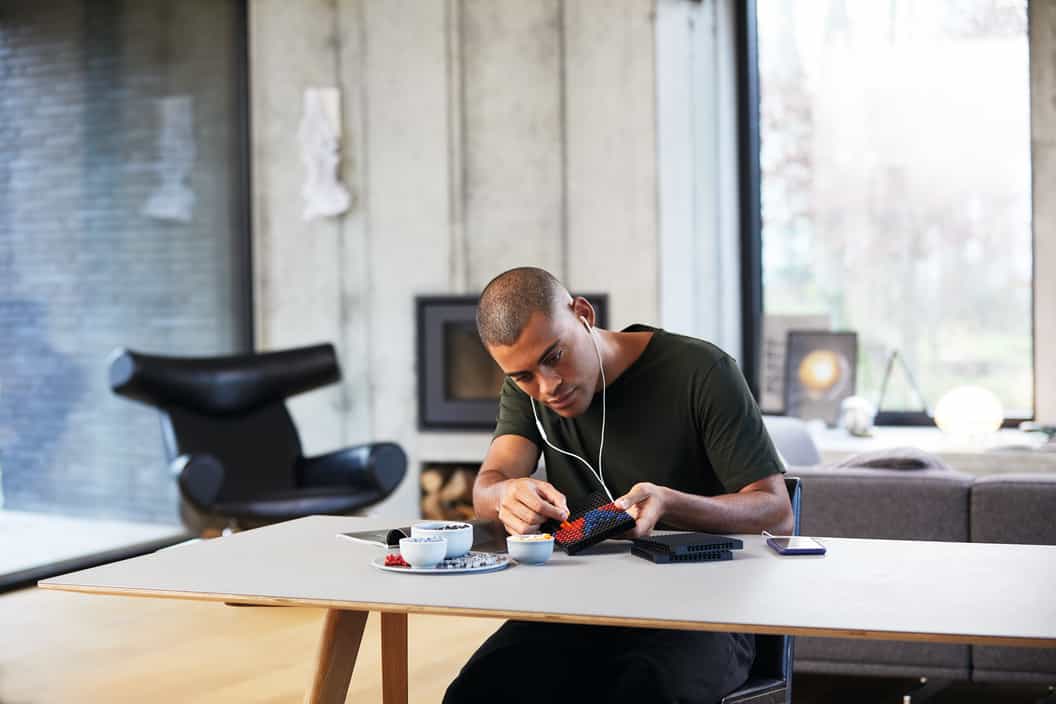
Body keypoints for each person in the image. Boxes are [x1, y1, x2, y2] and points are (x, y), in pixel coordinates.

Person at [443, 267, 794, 704]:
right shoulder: (527, 392)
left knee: (639, 689)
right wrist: (506, 495)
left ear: (584, 314)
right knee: (476, 692)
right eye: (524, 376)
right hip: (577, 610)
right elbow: (488, 488)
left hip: (705, 612)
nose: (548, 387)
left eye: (554, 356)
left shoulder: (703, 370)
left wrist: (670, 503)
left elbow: (776, 512)